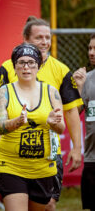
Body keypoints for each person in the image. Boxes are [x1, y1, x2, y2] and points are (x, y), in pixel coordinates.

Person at [0, 16, 83, 210]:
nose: (45, 42)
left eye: (48, 37)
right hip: (12, 155)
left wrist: (76, 147)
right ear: (25, 38)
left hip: (48, 154)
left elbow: (71, 110)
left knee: (48, 206)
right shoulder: (8, 67)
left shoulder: (61, 70)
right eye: (39, 37)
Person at [0, 43, 65, 210]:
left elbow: (61, 128)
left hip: (42, 167)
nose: (26, 67)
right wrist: (17, 121)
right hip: (11, 165)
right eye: (21, 62)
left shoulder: (51, 92)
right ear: (14, 66)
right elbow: (0, 127)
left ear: (38, 66)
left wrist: (52, 122)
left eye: (31, 62)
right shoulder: (5, 92)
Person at [73, 34, 95, 210]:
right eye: (90, 48)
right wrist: (79, 88)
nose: (91, 53)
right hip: (92, 157)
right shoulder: (87, 79)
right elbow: (74, 113)